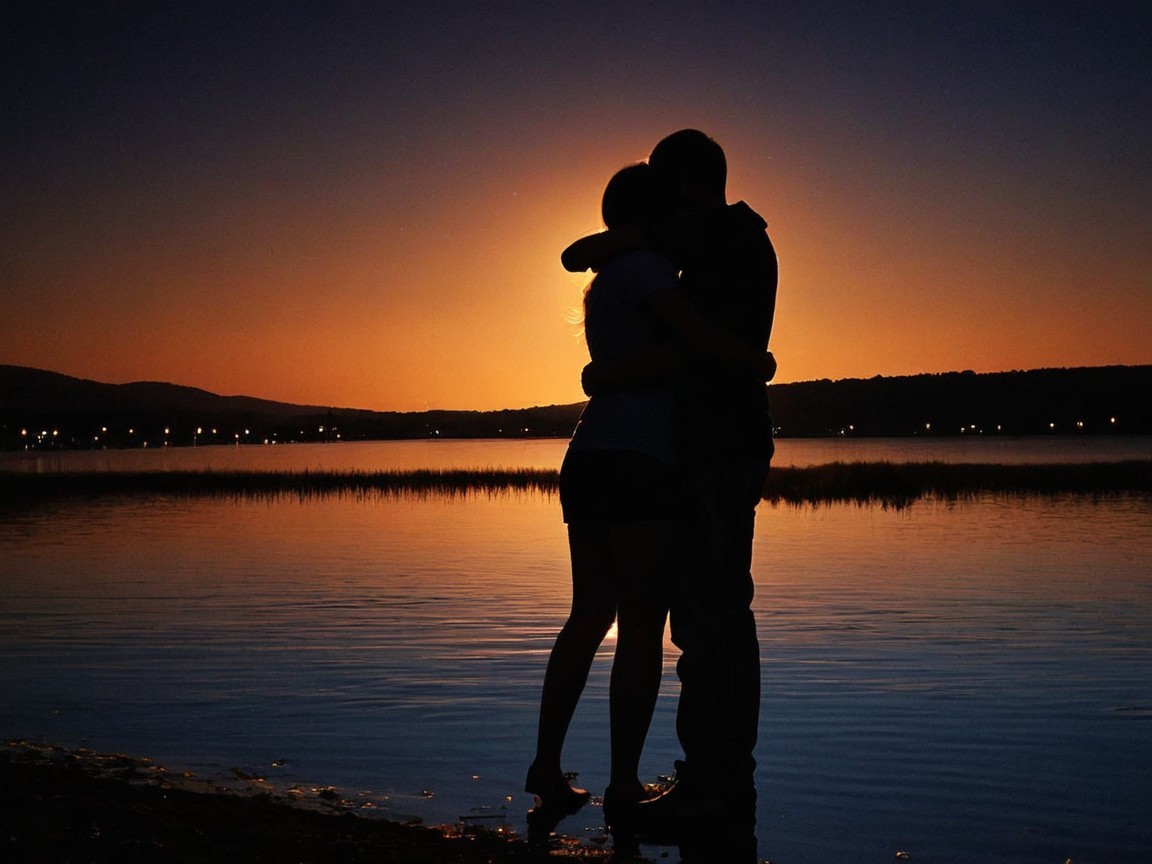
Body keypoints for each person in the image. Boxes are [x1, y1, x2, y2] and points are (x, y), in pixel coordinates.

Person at [528, 161, 775, 855]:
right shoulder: (648, 272)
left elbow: (587, 270)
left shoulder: (611, 274)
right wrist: (758, 361)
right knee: (639, 626)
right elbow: (693, 345)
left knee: (587, 615)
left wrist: (604, 374)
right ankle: (625, 783)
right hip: (640, 463)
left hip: (591, 455)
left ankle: (547, 768)